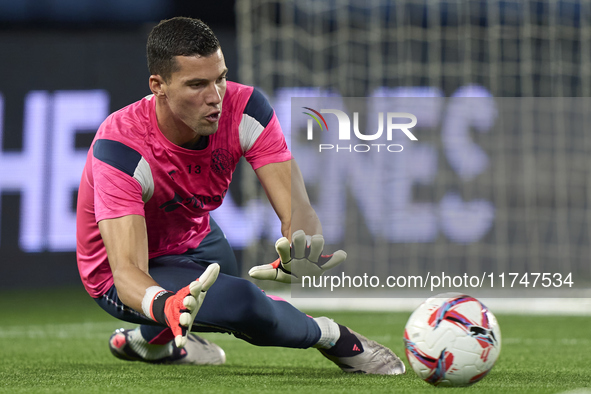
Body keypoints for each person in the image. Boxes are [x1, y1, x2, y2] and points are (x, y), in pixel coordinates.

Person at [75, 16, 405, 375]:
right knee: (243, 302)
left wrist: (302, 247)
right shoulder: (122, 147)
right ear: (159, 85)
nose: (215, 97)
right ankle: (336, 338)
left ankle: (147, 343)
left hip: (196, 240)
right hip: (119, 276)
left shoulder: (245, 108)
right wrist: (163, 303)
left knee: (221, 278)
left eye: (220, 78)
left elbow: (298, 208)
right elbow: (127, 272)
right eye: (197, 84)